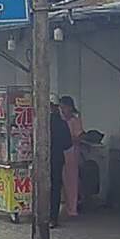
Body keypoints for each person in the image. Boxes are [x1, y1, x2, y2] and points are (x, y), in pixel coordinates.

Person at [49, 95, 72, 228]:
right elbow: (68, 144)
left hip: (41, 159)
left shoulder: (40, 122)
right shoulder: (62, 123)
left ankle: (40, 215)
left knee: (41, 187)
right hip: (57, 159)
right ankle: (53, 218)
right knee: (55, 188)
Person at [59, 95, 84, 218]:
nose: (62, 110)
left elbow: (79, 137)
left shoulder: (75, 120)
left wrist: (68, 138)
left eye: (64, 107)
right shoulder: (60, 120)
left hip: (72, 152)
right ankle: (65, 205)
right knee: (62, 179)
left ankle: (72, 208)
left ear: (70, 107)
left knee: (71, 181)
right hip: (61, 152)